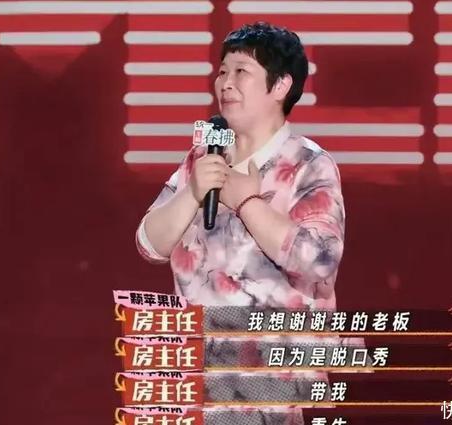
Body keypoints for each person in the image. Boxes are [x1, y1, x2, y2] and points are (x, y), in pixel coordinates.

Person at [135, 22, 346, 424]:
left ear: (280, 85)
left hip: (270, 386)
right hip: (194, 379)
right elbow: (149, 243)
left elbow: (319, 262)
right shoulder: (203, 157)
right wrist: (193, 191)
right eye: (222, 71)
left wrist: (248, 202)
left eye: (241, 71)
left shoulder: (309, 164)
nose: (225, 83)